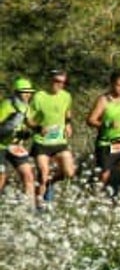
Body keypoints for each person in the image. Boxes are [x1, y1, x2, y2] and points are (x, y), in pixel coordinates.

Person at [87, 71, 120, 205]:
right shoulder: (103, 100)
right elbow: (90, 120)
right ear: (112, 85)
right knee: (104, 176)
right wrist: (107, 124)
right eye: (119, 86)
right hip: (105, 143)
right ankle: (93, 201)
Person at [29, 69, 76, 202]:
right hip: (42, 142)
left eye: (63, 82)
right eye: (57, 81)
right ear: (50, 81)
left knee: (69, 172)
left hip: (59, 141)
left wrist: (68, 124)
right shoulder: (39, 96)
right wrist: (38, 128)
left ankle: (50, 182)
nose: (60, 85)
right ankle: (38, 208)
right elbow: (28, 118)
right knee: (43, 174)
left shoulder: (66, 96)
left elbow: (67, 111)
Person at [0, 77, 37, 205]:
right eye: (24, 91)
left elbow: (28, 123)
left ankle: (29, 209)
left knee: (28, 175)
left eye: (29, 92)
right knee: (1, 178)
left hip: (15, 146)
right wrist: (8, 130)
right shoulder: (6, 105)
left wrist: (32, 131)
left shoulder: (26, 107)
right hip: (1, 147)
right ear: (17, 92)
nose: (28, 94)